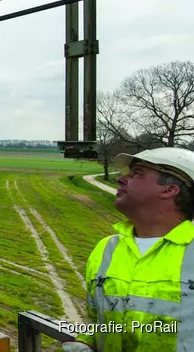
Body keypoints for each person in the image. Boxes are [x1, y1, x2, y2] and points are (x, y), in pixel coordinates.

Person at [62, 147, 194, 352]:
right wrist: (85, 341)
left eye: (136, 173)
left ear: (169, 190)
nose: (121, 180)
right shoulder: (106, 248)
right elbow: (98, 320)